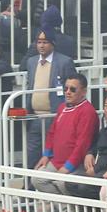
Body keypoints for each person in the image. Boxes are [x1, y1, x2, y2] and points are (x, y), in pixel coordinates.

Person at [33, 73, 99, 195]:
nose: (68, 92)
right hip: (56, 160)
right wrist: (46, 155)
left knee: (63, 183)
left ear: (84, 92)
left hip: (75, 163)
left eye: (73, 89)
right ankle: (64, 209)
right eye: (66, 88)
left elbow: (82, 145)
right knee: (37, 180)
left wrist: (68, 167)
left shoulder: (87, 112)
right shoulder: (62, 107)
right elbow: (52, 132)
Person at [24, 27, 76, 169]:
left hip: (54, 116)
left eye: (45, 42)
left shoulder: (65, 62)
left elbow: (73, 86)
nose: (41, 45)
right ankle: (29, 186)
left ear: (53, 43)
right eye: (39, 42)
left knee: (52, 155)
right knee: (32, 155)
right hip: (34, 116)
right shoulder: (31, 62)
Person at [68, 90, 107, 195]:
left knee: (83, 186)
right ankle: (81, 211)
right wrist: (90, 153)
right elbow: (96, 141)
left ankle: (93, 211)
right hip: (96, 164)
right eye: (105, 106)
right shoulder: (105, 120)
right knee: (70, 181)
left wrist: (96, 168)